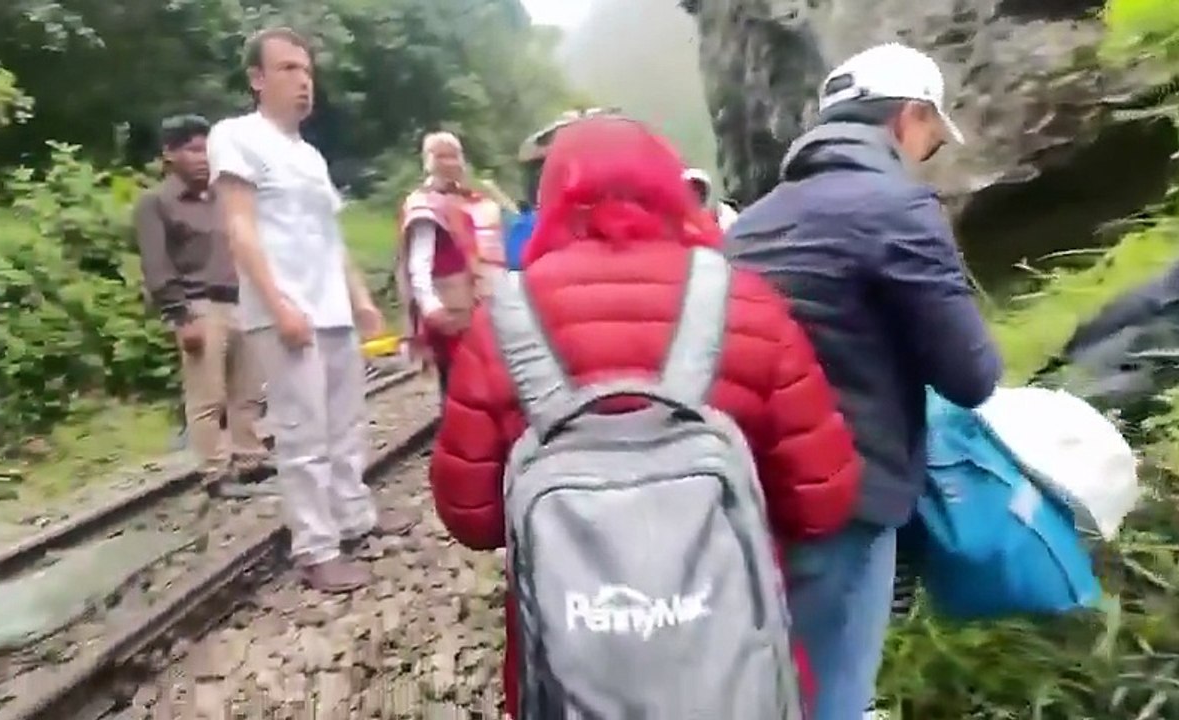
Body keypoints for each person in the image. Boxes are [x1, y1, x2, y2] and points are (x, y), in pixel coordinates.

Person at [428, 116, 862, 716]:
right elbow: (823, 500)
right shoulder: (746, 302)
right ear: (671, 187)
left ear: (551, 196)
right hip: (733, 661)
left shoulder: (502, 319)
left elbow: (471, 518)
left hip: (573, 663)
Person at [724, 43, 1003, 720]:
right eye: (930, 140)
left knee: (760, 681)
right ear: (907, 118)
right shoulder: (898, 206)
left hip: (738, 494)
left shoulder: (750, 226)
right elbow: (970, 375)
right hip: (846, 498)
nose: (923, 156)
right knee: (833, 692)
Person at [208, 27, 417, 594]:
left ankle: (355, 517)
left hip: (332, 311)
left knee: (346, 425)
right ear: (257, 79)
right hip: (284, 312)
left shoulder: (310, 157)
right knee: (303, 434)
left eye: (306, 70)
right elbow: (240, 227)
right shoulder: (236, 137)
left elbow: (330, 237)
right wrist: (279, 305)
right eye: (287, 70)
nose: (303, 82)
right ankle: (317, 549)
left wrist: (361, 299)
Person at [134, 115, 267, 495]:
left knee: (248, 390)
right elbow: (156, 264)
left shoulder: (223, 197)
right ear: (169, 154)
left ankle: (250, 458)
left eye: (205, 149)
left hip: (240, 300)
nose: (201, 158)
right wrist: (179, 315)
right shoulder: (156, 203)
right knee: (208, 396)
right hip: (197, 305)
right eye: (192, 149)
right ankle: (215, 472)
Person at [394, 131, 505, 393]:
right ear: (428, 160)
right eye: (441, 156)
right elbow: (418, 264)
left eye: (454, 155)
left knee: (486, 383)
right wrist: (431, 308)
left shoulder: (475, 201)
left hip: (484, 308)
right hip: (451, 311)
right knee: (458, 385)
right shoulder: (423, 204)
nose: (450, 162)